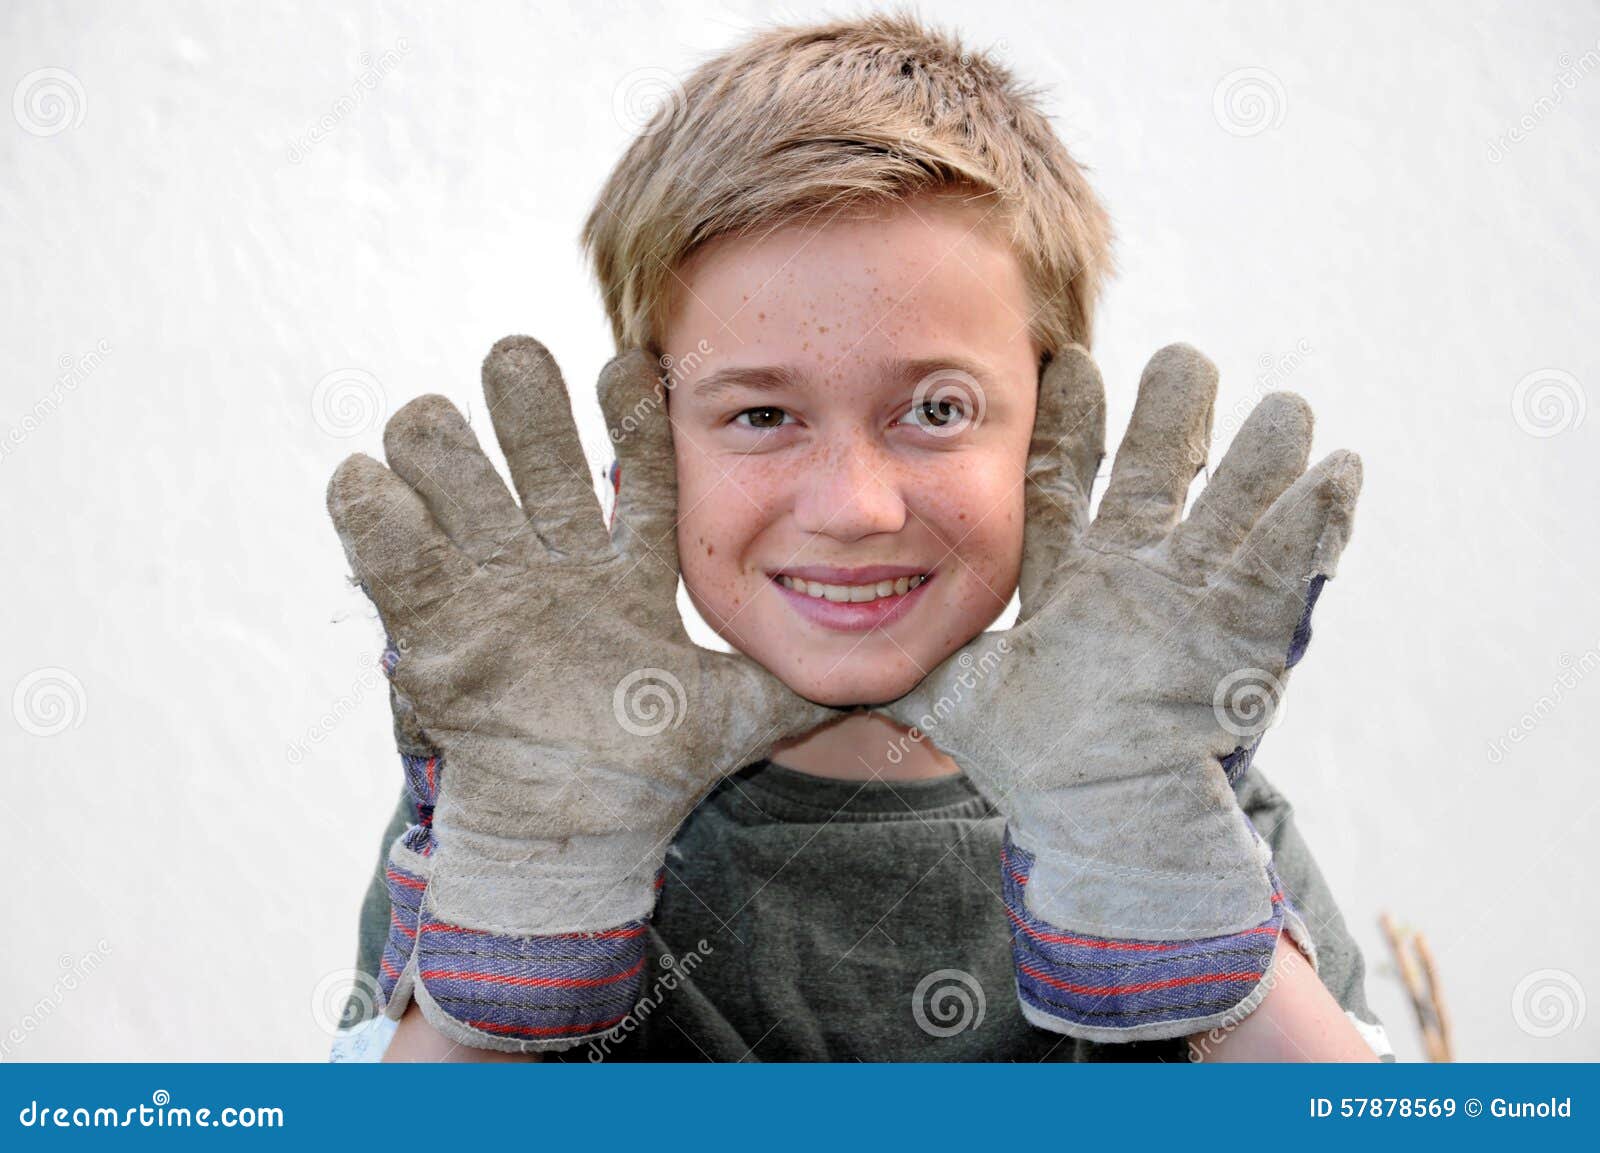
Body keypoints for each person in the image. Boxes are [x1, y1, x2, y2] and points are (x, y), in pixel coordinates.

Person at [326, 11, 1393, 1063]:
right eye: (760, 414)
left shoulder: (1189, 799)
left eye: (934, 409)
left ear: (1052, 431)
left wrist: (1165, 888)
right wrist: (527, 907)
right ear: (647, 439)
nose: (853, 506)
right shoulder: (515, 796)